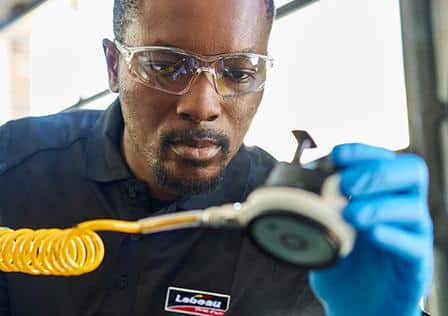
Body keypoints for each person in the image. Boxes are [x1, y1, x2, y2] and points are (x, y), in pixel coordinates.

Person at [0, 0, 433, 315]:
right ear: (114, 66)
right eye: (167, 66)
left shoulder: (300, 235)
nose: (203, 105)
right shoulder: (13, 168)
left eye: (239, 72)